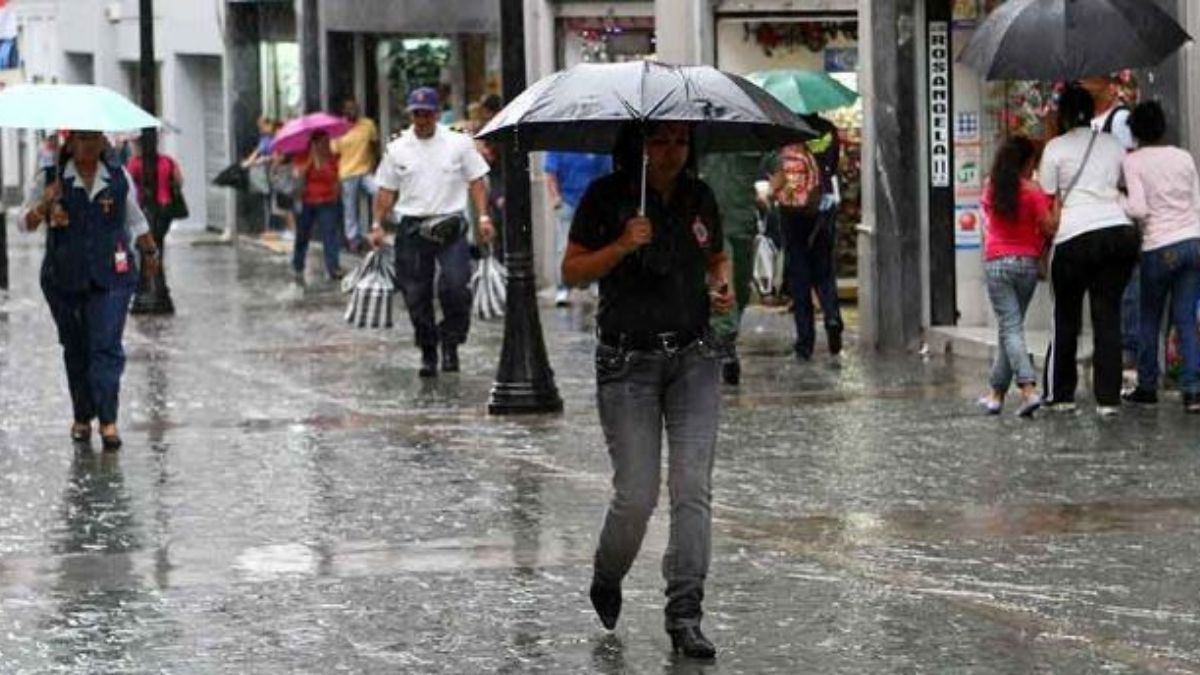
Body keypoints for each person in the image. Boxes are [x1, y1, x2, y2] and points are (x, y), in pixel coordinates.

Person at [563, 122, 733, 659]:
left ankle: (685, 614)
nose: (671, 152)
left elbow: (716, 259)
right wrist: (620, 244)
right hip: (626, 363)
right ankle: (607, 573)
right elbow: (571, 271)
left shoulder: (698, 196)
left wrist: (721, 284)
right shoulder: (606, 197)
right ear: (637, 147)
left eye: (680, 142)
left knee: (692, 489)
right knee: (636, 495)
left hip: (694, 357)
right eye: (659, 142)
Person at [19, 130, 160, 450]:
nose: (88, 146)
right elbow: (23, 224)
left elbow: (134, 218)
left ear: (102, 143)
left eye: (94, 139)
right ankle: (82, 414)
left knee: (106, 345)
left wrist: (150, 251)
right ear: (69, 144)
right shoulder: (49, 178)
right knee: (76, 347)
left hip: (112, 274)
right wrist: (45, 205)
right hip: (63, 277)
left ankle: (108, 420)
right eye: (81, 139)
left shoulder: (117, 176)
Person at [368, 87, 494, 377]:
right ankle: (428, 348)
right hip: (412, 227)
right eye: (416, 114)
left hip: (450, 224)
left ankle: (451, 341)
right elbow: (386, 190)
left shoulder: (458, 143)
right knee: (415, 293)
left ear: (437, 114)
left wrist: (484, 217)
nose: (421, 119)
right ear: (410, 114)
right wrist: (376, 224)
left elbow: (476, 180)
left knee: (455, 286)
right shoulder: (397, 147)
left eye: (426, 113)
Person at [1040, 84, 1140, 416]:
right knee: (1107, 314)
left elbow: (1048, 193)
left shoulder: (1055, 147)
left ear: (1063, 114)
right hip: (1117, 233)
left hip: (1074, 237)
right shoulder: (1112, 144)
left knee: (1066, 316)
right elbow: (1122, 183)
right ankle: (1108, 399)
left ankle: (1063, 395)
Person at [1119, 101, 1200, 412]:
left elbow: (1138, 209)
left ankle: (1147, 386)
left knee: (1149, 318)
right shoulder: (1183, 157)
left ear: (1135, 131)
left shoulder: (1134, 161)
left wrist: (1118, 199)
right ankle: (1192, 391)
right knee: (1185, 319)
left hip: (1159, 246)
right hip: (1192, 242)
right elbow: (1194, 200)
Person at [977, 136, 1051, 417]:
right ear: (1027, 162)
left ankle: (1028, 388)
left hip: (997, 263)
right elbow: (1047, 226)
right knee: (1011, 327)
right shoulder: (1034, 191)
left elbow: (986, 220)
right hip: (1027, 266)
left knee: (1010, 327)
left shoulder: (991, 188)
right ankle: (996, 393)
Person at [760, 135, 838, 362]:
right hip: (821, 208)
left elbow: (771, 179)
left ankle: (805, 343)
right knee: (823, 271)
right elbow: (832, 167)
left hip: (791, 215)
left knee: (799, 276)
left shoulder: (781, 144)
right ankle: (832, 317)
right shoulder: (827, 131)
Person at [1081, 74, 1139, 370]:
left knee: (1125, 285)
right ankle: (1107, 346)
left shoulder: (1120, 119)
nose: (1083, 84)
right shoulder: (1086, 123)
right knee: (1101, 286)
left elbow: (1129, 165)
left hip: (1119, 212)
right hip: (1095, 215)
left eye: (1088, 80)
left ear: (1105, 83)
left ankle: (1128, 347)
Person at [698, 150, 760, 384]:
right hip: (710, 224)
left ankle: (726, 337)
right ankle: (725, 344)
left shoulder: (746, 138)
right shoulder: (698, 136)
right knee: (723, 281)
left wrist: (771, 190)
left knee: (741, 289)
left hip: (742, 222)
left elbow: (776, 165)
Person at [544, 151, 613, 306]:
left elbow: (607, 172)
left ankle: (595, 283)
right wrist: (555, 198)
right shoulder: (558, 146)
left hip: (593, 202)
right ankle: (563, 288)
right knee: (564, 246)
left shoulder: (596, 146)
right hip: (568, 202)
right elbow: (551, 173)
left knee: (596, 245)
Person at [126, 142, 183, 315]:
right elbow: (179, 181)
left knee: (146, 250)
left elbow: (128, 188)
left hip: (145, 211)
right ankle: (158, 289)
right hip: (165, 211)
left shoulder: (135, 163)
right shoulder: (168, 161)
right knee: (157, 248)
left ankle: (149, 291)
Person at [292, 131, 343, 283]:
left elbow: (335, 178)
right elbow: (298, 175)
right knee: (303, 234)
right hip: (307, 201)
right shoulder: (302, 156)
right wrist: (310, 160)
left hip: (327, 201)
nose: (325, 145)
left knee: (330, 235)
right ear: (314, 143)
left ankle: (333, 267)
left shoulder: (332, 158)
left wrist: (336, 194)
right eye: (322, 142)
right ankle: (298, 263)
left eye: (327, 142)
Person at [332, 97, 379, 253]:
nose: (352, 111)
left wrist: (375, 165)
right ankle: (353, 238)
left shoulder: (367, 124)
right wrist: (335, 178)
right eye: (349, 108)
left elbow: (374, 145)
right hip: (346, 173)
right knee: (350, 208)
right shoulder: (338, 129)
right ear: (344, 111)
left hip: (365, 171)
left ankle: (376, 226)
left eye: (355, 108)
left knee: (379, 191)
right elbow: (335, 154)